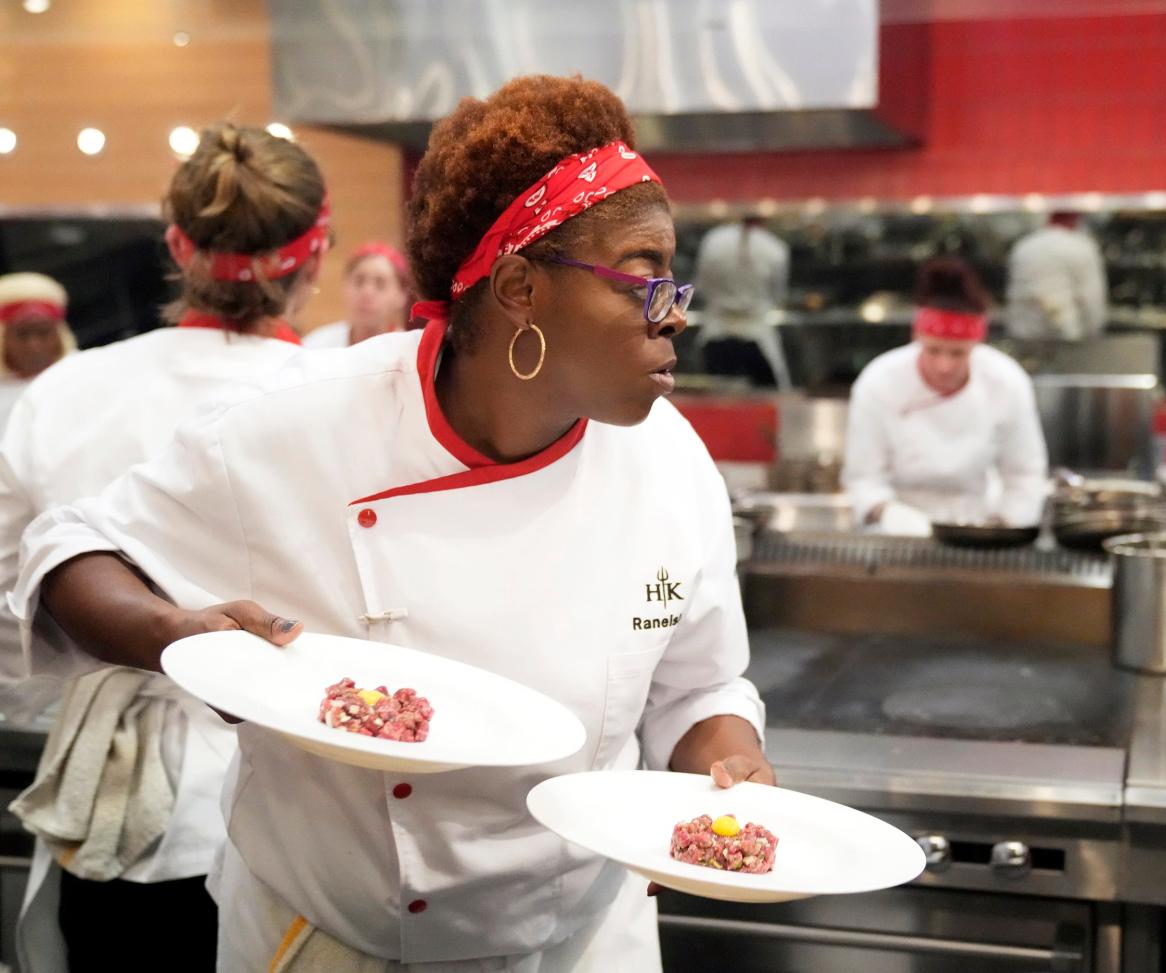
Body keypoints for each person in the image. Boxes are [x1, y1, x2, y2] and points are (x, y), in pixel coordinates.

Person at [12, 75, 770, 971]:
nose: (675, 309)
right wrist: (173, 633)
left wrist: (732, 768)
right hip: (337, 941)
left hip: (582, 939)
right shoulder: (303, 424)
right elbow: (68, 548)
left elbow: (700, 688)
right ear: (522, 287)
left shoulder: (673, 465)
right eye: (645, 275)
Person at [0, 122, 325, 972]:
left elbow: (9, 629)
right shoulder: (331, 401)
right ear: (314, 258)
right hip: (287, 811)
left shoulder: (64, 392)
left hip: (104, 812)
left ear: (177, 248)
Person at [843, 256, 1048, 533]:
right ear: (917, 338)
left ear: (976, 344)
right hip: (896, 533)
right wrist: (888, 513)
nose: (944, 366)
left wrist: (1002, 526)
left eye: (958, 353)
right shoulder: (879, 382)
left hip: (976, 525)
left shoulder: (1007, 382)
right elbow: (863, 479)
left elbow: (1025, 476)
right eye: (933, 350)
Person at [694, 214, 792, 389]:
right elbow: (778, 295)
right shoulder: (775, 247)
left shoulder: (713, 240)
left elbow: (702, 286)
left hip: (716, 334)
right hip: (755, 335)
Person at [1006, 211, 1108, 342]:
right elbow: (1091, 298)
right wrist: (1094, 332)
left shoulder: (1024, 245)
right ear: (1076, 219)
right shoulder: (1082, 247)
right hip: (1065, 332)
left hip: (1023, 330)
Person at [0, 273, 77, 429]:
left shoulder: (87, 373)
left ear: (59, 334)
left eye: (43, 332)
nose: (34, 345)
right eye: (22, 334)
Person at [303, 242, 412, 349]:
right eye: (359, 281)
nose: (367, 292)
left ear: (401, 295)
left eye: (380, 284)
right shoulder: (315, 346)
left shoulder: (408, 353)